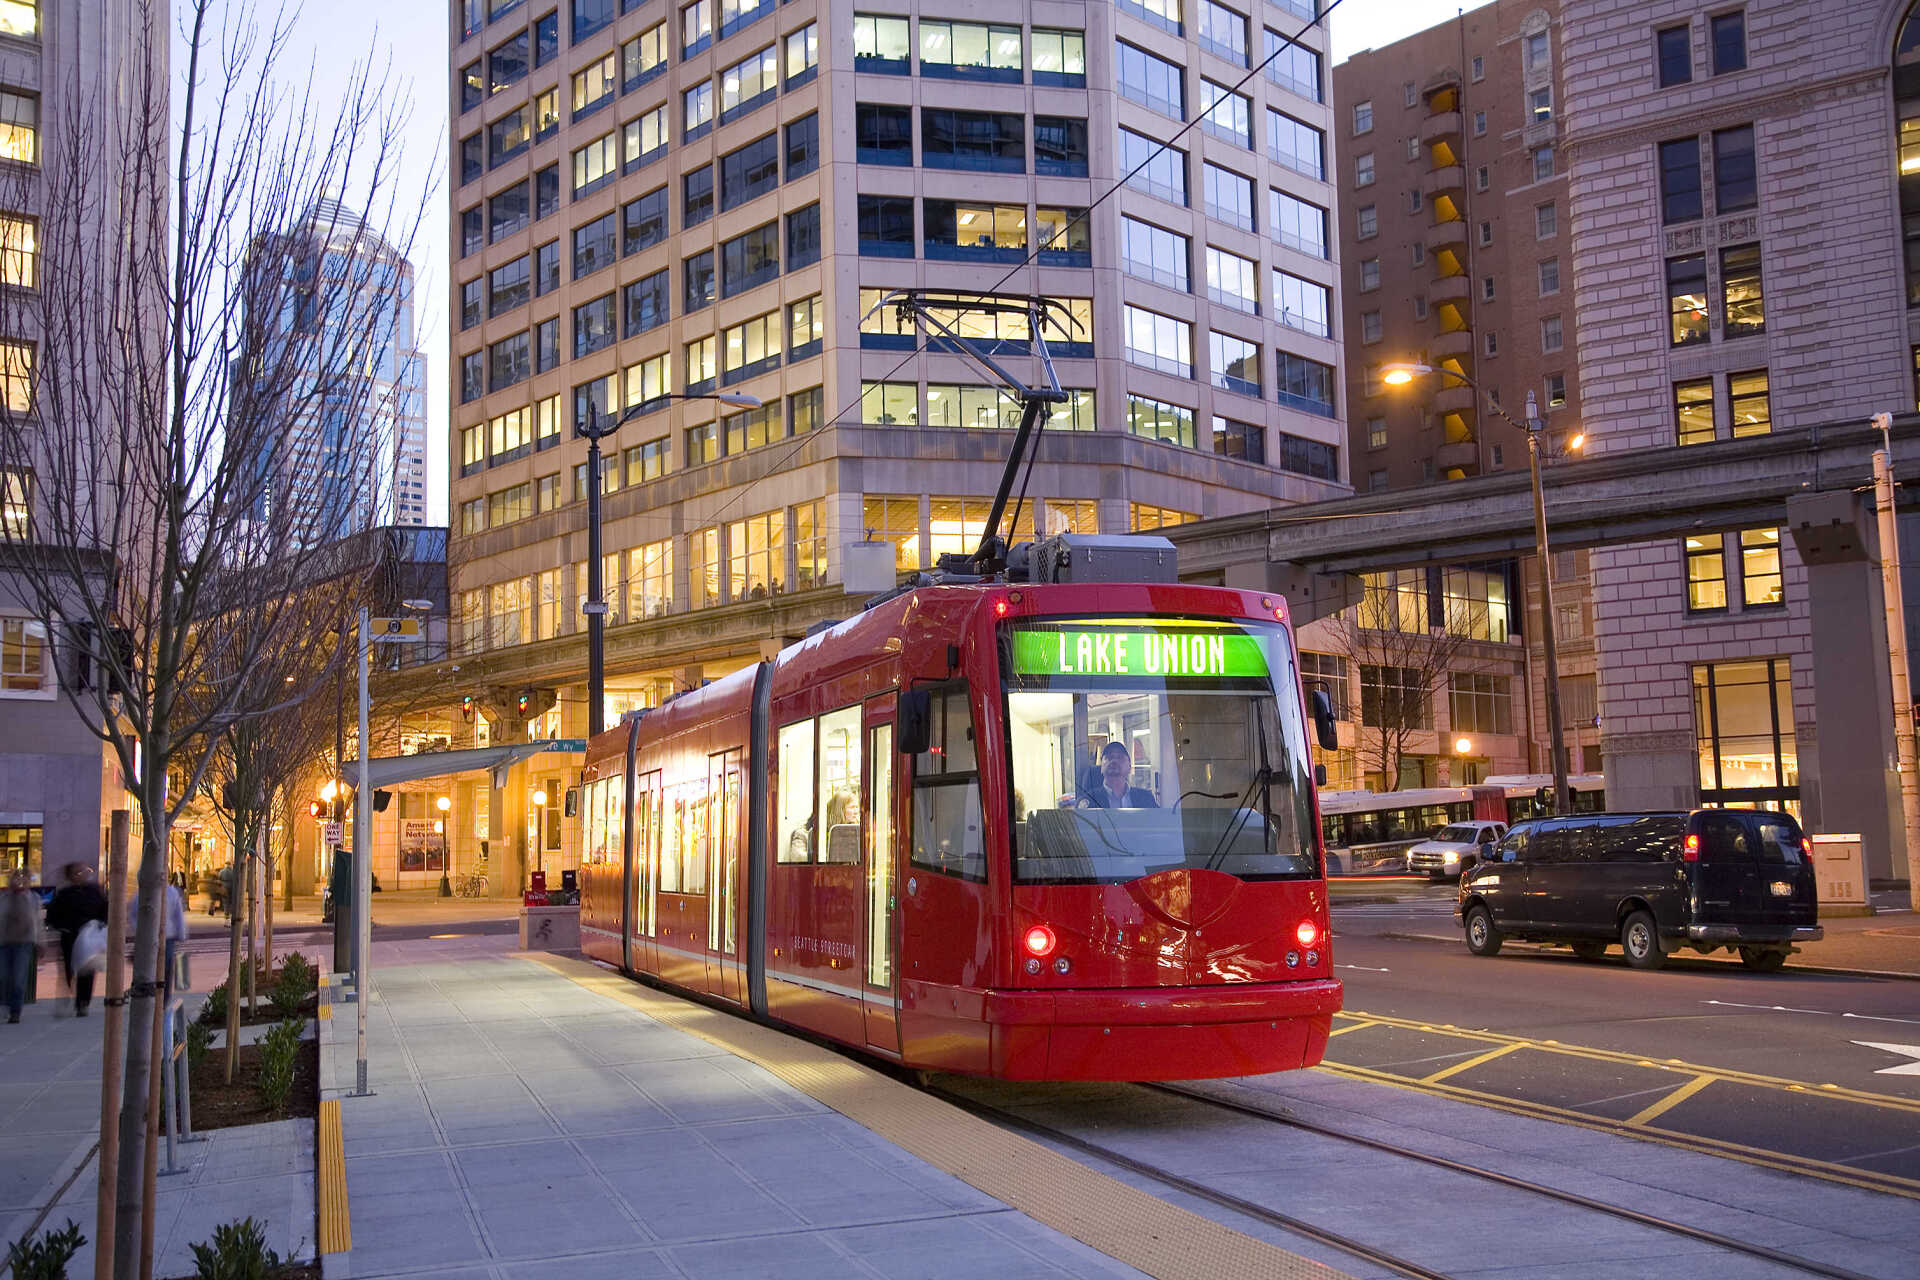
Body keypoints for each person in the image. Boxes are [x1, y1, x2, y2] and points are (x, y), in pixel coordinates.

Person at [45, 863, 108, 1016]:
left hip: (89, 936)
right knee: (69, 967)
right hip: (70, 936)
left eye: (83, 871)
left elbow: (104, 909)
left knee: (87, 969)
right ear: (70, 876)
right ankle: (71, 992)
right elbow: (52, 914)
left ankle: (83, 1002)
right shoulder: (64, 894)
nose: (80, 875)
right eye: (76, 872)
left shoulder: (94, 891)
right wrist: (61, 926)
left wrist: (100, 924)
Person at [1, 869, 41, 1023]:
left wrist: (40, 942)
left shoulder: (32, 898)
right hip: (4, 942)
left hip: (24, 943)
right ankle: (5, 1005)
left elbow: (37, 921)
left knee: (18, 978)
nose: (18, 882)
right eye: (15, 879)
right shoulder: (4, 898)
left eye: (22, 879)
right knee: (4, 977)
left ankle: (15, 1011)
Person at [1081, 742, 1159, 809]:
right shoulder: (1088, 801)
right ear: (1101, 767)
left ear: (1129, 767)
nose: (1114, 761)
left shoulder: (1146, 798)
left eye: (1120, 757)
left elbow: (1159, 824)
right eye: (1109, 757)